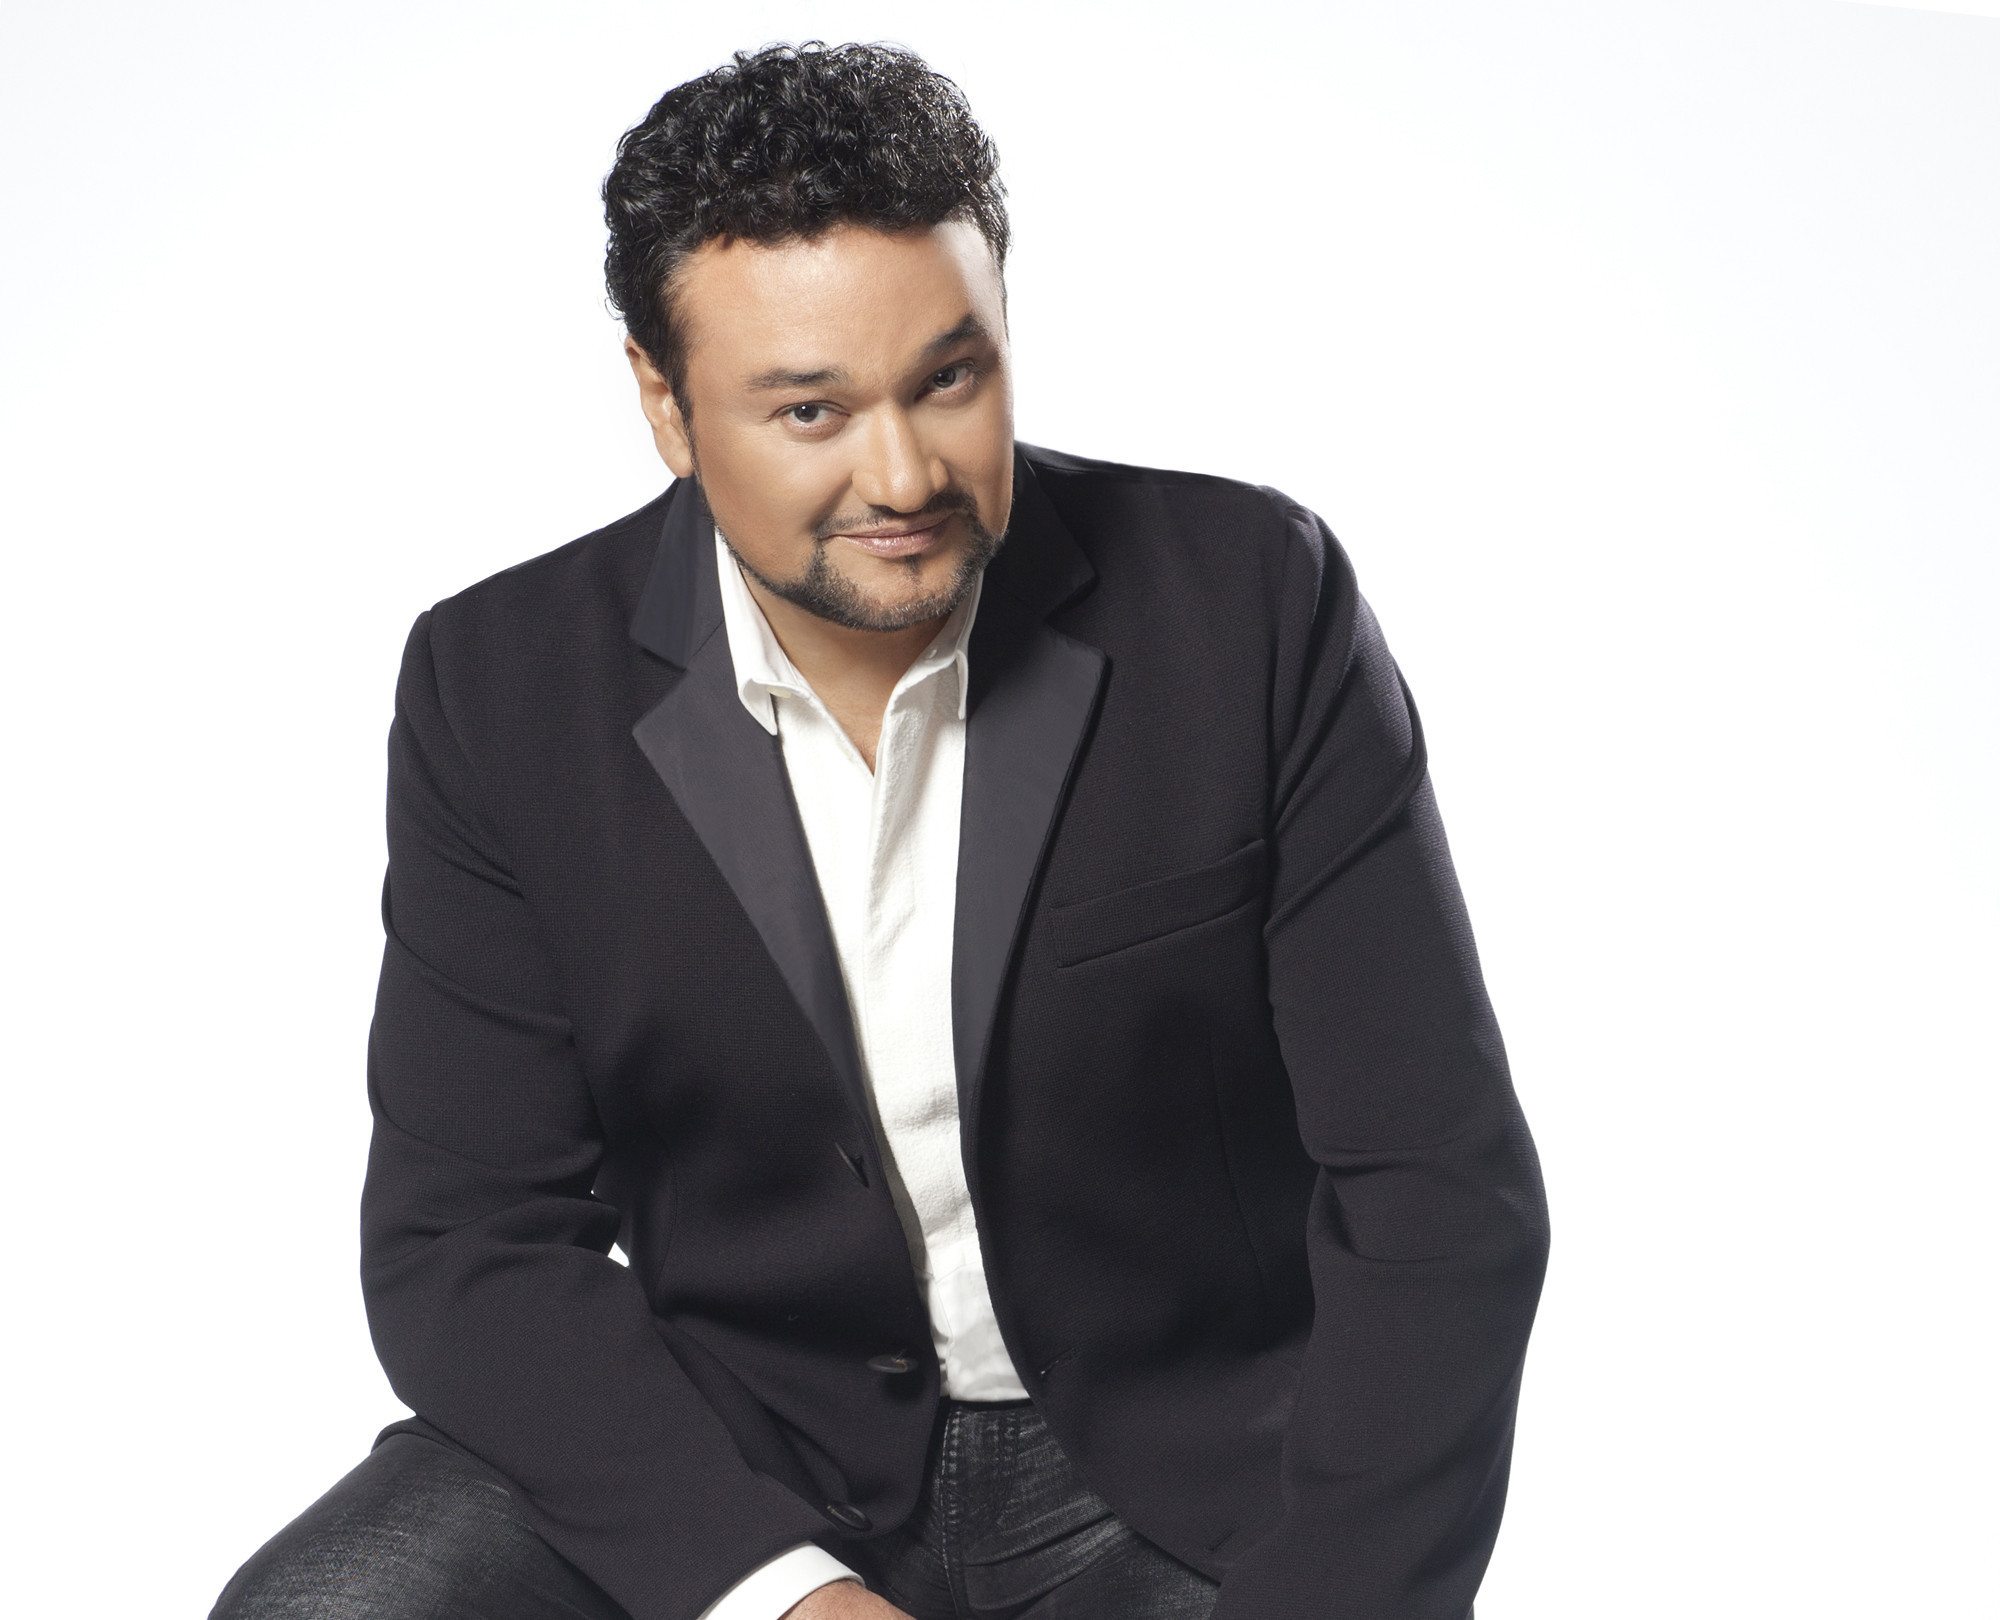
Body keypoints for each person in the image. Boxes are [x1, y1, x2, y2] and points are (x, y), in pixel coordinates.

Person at [212, 40, 1548, 1620]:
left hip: (1179, 1480)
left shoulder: (1248, 599)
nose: (903, 474)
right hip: (740, 1450)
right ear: (663, 402)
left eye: (949, 379)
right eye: (811, 410)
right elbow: (465, 1242)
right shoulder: (499, 686)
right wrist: (779, 1593)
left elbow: (1439, 1191)